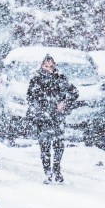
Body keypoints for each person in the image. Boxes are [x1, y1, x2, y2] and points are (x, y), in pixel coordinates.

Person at [26, 55, 80, 184]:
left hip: (57, 118)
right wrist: (38, 109)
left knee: (58, 145)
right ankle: (47, 173)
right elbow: (29, 98)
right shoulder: (36, 79)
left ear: (54, 65)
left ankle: (56, 169)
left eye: (51, 66)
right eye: (46, 66)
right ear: (41, 66)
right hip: (42, 118)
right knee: (44, 146)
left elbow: (75, 92)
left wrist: (65, 103)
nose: (49, 69)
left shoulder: (61, 78)